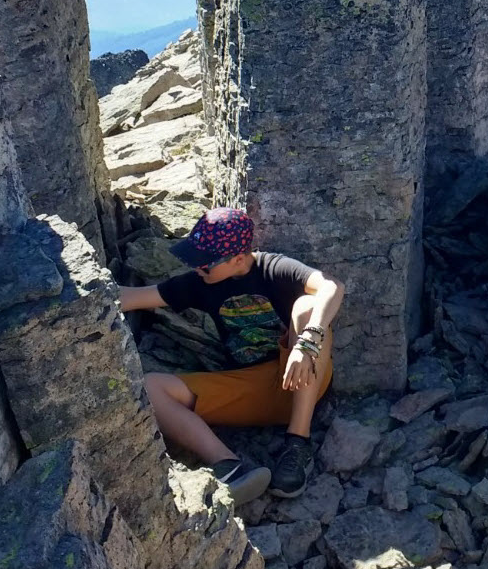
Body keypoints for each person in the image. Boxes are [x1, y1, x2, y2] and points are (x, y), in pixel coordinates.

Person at [119, 207, 344, 504]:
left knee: (307, 306)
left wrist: (307, 342)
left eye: (205, 264)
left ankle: (297, 443)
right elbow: (132, 297)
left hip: (303, 380)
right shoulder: (200, 284)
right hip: (248, 389)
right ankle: (230, 468)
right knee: (150, 387)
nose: (198, 268)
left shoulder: (272, 268)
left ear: (238, 258)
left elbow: (332, 286)